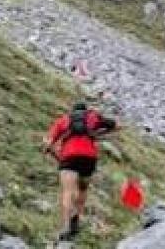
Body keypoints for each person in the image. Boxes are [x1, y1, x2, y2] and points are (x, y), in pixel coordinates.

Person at [44, 100, 118, 241]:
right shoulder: (93, 117)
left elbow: (47, 143)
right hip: (89, 158)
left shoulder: (62, 120)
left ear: (72, 111)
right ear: (86, 110)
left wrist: (54, 154)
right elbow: (117, 125)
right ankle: (76, 217)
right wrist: (100, 134)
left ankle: (66, 227)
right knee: (82, 189)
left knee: (68, 191)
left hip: (69, 157)